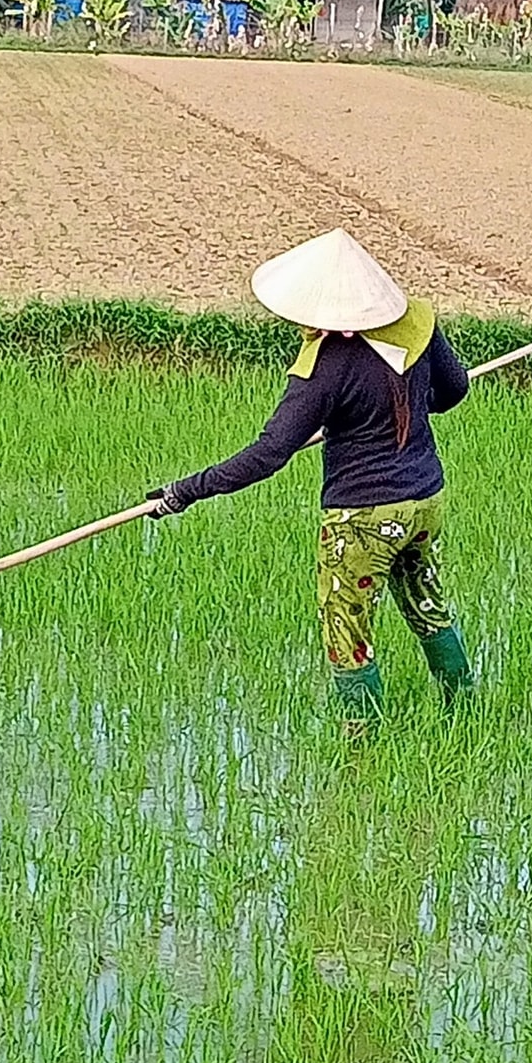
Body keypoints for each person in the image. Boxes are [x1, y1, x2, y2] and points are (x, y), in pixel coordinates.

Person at [147, 229, 473, 725]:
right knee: (425, 601)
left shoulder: (324, 368)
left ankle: (361, 747)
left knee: (347, 628)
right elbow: (452, 391)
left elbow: (269, 454)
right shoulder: (418, 323)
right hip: (425, 501)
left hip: (361, 519)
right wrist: (396, 411)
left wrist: (184, 491)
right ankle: (464, 714)